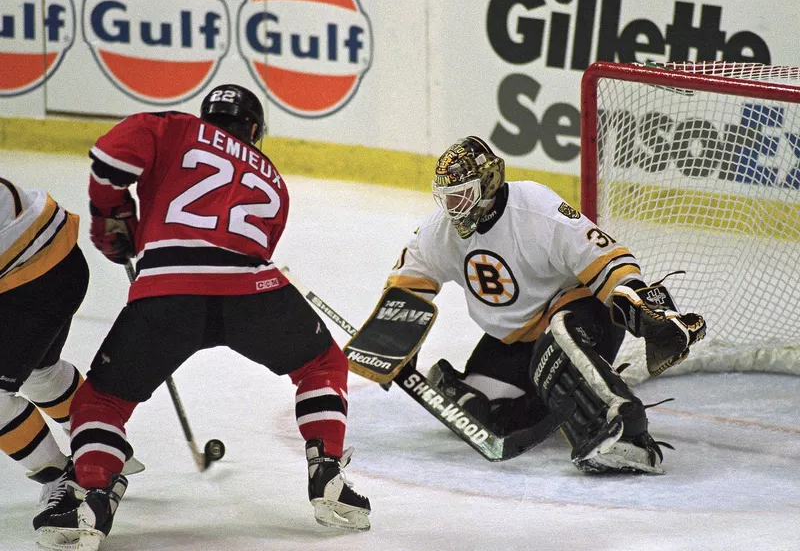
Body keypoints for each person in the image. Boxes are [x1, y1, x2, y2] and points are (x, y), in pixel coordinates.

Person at [33, 84, 371, 549]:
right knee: (323, 364)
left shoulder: (174, 127)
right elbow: (257, 245)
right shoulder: (272, 176)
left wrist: (112, 213)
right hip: (252, 288)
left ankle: (93, 494)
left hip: (168, 291)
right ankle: (327, 469)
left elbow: (110, 159)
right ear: (253, 130)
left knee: (102, 402)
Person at [383, 136, 705, 474]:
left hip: (580, 316)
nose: (454, 207)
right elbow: (410, 277)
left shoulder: (535, 207)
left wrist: (639, 304)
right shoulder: (441, 230)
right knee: (481, 413)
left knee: (558, 338)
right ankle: (543, 400)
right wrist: (395, 337)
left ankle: (628, 430)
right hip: (514, 341)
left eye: (463, 195)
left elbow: (604, 258)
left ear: (489, 183)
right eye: (448, 197)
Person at [0, 178, 89, 497]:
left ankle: (66, 481)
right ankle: (100, 445)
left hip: (36, 281)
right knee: (41, 376)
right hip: (53, 265)